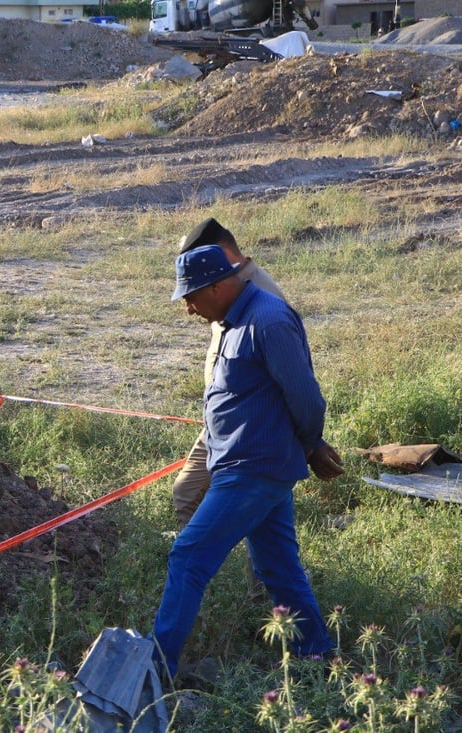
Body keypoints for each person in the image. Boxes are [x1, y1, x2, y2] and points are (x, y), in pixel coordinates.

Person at [150, 244, 342, 679]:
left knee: (188, 556)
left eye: (191, 297)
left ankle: (156, 666)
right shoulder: (233, 320)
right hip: (244, 465)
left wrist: (312, 444)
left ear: (218, 286)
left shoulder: (268, 321)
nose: (187, 308)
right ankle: (319, 658)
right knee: (278, 568)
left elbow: (305, 396)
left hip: (254, 469)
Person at [170, 218, 292, 528]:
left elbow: (291, 379)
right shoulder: (227, 290)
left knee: (258, 521)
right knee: (189, 494)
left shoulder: (263, 300)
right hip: (224, 417)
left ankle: (202, 564)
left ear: (222, 255)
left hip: (250, 425)